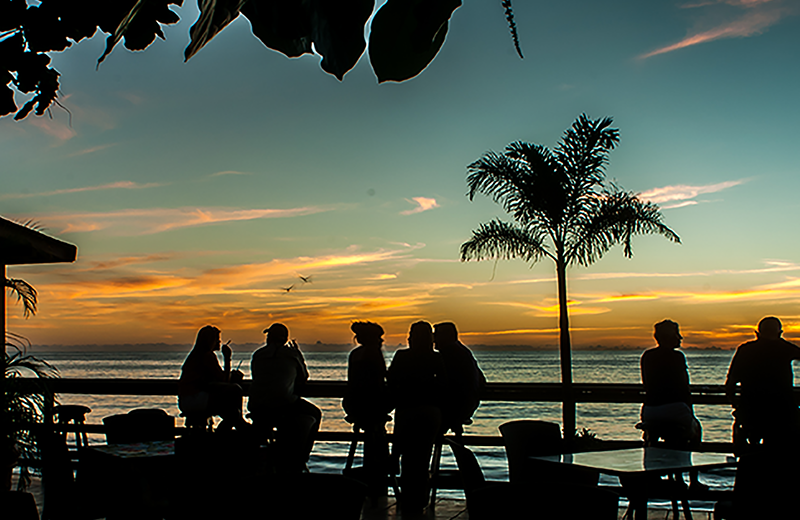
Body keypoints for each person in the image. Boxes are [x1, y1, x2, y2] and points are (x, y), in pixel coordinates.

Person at [387, 321, 445, 514]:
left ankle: (408, 498)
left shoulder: (402, 357)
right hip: (431, 412)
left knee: (407, 457)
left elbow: (392, 380)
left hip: (407, 411)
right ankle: (420, 499)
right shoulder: (437, 359)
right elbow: (446, 384)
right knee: (422, 457)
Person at [248, 323, 321, 472]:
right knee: (315, 413)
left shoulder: (258, 354)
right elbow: (303, 378)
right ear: (285, 339)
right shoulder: (292, 355)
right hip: (283, 404)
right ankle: (301, 458)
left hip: (257, 406)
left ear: (269, 338)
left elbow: (256, 376)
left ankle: (265, 460)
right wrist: (300, 357)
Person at [725, 316, 800, 450]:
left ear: (757, 333)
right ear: (779, 333)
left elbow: (731, 383)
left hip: (751, 411)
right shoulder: (785, 348)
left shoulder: (745, 350)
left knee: (750, 451)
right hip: (782, 412)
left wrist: (736, 405)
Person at [342, 321, 393, 496]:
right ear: (373, 338)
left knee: (373, 432)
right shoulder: (374, 352)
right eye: (379, 337)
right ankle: (382, 472)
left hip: (354, 405)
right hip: (371, 407)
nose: (382, 340)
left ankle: (373, 474)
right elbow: (379, 382)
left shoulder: (355, 354)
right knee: (378, 431)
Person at [639, 319, 702, 445]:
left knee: (651, 437)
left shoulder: (647, 356)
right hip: (675, 409)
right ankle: (691, 459)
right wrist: (690, 412)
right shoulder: (677, 357)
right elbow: (684, 387)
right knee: (696, 430)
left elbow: (646, 383)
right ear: (669, 337)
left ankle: (649, 449)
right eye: (677, 334)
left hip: (651, 410)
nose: (680, 337)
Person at [178, 325, 245, 430]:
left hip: (187, 401)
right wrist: (227, 359)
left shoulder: (195, 356)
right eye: (217, 339)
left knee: (230, 411)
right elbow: (223, 380)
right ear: (210, 341)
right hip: (196, 400)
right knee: (234, 394)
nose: (219, 342)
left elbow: (217, 378)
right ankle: (235, 425)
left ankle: (235, 424)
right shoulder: (207, 356)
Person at [433, 322, 486, 434]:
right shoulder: (464, 352)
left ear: (446, 336)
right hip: (467, 404)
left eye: (436, 335)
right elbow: (482, 379)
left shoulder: (448, 353)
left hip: (455, 406)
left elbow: (444, 382)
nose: (434, 340)